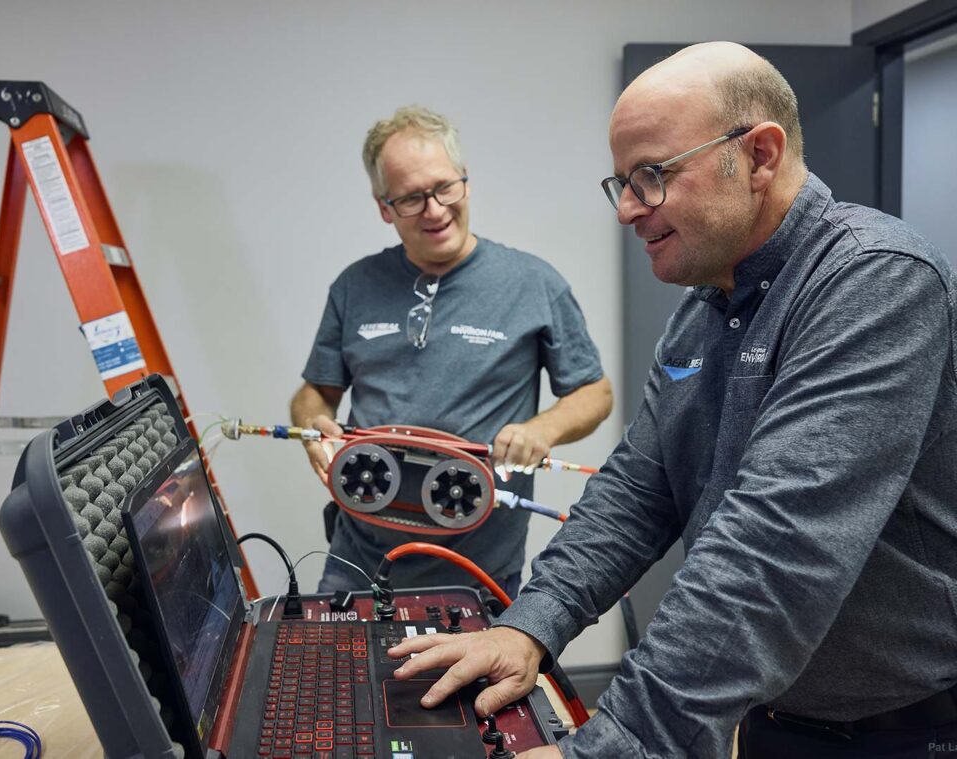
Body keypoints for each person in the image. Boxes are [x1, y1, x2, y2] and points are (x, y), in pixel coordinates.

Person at [388, 42, 957, 758]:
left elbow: (774, 547)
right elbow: (636, 489)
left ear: (759, 155)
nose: (628, 208)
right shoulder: (704, 309)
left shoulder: (873, 281)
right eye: (622, 182)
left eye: (652, 176)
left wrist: (617, 741)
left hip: (905, 731)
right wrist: (528, 624)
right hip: (772, 718)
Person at [290, 105, 612, 596]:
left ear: (466, 180)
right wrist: (313, 428)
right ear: (384, 207)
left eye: (445, 187)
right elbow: (316, 393)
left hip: (479, 573)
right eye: (412, 198)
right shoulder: (354, 287)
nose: (436, 210)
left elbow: (594, 392)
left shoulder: (533, 284)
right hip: (356, 562)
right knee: (335, 675)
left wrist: (541, 429)